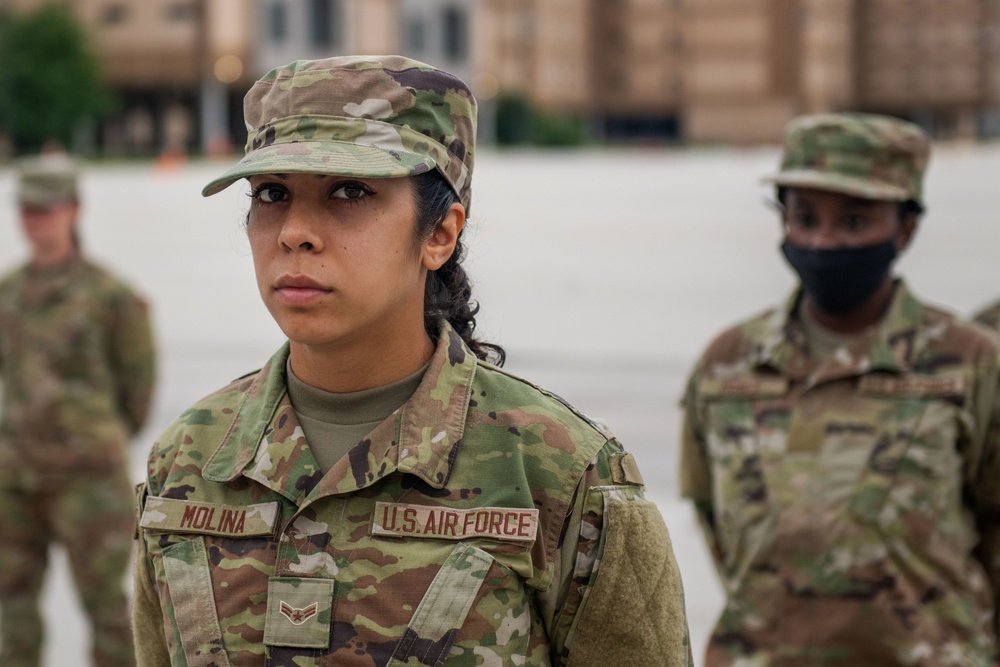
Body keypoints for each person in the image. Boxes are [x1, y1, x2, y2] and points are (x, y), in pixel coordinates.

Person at [132, 55, 691, 667]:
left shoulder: (559, 476)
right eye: (272, 193)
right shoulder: (187, 460)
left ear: (439, 235)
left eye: (350, 191)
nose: (294, 231)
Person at [680, 113, 1000, 666]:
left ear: (905, 229)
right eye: (804, 218)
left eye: (853, 222)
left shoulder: (969, 362)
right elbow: (717, 523)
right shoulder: (728, 364)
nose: (823, 241)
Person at [0, 152, 156, 667]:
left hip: (87, 481)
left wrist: (93, 438)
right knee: (11, 607)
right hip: (16, 477)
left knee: (108, 611)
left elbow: (138, 389)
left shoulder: (110, 297)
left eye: (46, 209)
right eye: (27, 209)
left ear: (72, 210)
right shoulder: (9, 294)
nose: (35, 220)